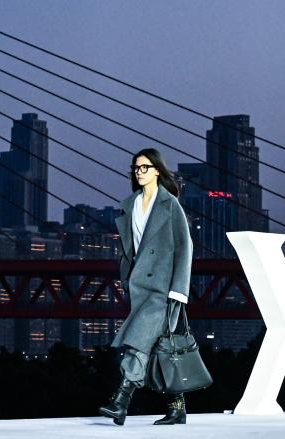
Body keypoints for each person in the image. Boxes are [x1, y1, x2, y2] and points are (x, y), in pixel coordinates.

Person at [98, 148, 193, 426]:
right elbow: (129, 247)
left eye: (145, 167)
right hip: (140, 286)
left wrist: (179, 289)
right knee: (160, 346)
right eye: (136, 168)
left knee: (138, 341)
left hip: (164, 289)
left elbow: (185, 247)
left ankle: (121, 400)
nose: (139, 172)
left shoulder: (169, 204)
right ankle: (177, 408)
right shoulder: (131, 204)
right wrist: (126, 277)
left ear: (157, 171)